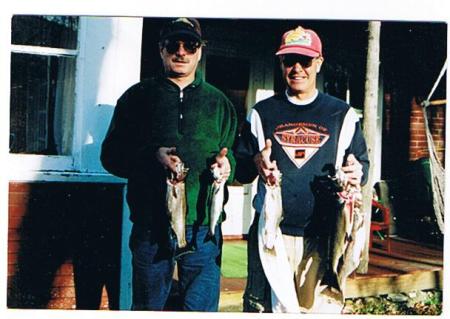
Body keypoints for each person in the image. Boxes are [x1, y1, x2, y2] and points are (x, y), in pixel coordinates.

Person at [100, 17, 237, 311]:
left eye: (190, 44)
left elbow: (236, 159)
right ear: (161, 50)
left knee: (200, 309)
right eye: (173, 44)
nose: (181, 51)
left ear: (200, 51)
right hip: (152, 227)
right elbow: (110, 156)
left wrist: (228, 167)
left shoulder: (219, 103)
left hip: (204, 229)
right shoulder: (136, 98)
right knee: (149, 307)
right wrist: (152, 155)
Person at [234, 25, 369, 313]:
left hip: (323, 234)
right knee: (263, 309)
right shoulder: (262, 112)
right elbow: (241, 170)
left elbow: (361, 165)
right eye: (289, 60)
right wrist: (256, 161)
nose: (297, 68)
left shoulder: (341, 114)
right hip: (271, 235)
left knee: (316, 310)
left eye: (305, 61)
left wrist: (356, 172)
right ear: (281, 63)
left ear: (319, 63)